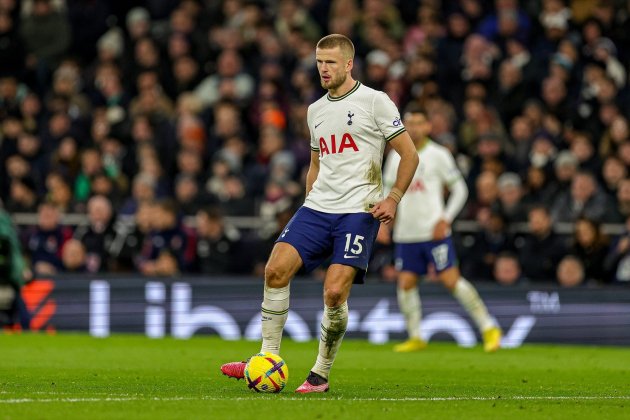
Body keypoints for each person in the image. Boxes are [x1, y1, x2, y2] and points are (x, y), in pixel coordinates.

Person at [220, 34, 419, 393]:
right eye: (318, 62)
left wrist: (393, 198)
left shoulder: (376, 102)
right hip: (317, 208)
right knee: (275, 270)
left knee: (333, 293)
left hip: (358, 211)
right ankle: (267, 358)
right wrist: (309, 198)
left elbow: (410, 154)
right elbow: (316, 162)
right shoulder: (315, 110)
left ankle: (320, 373)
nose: (323, 69)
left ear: (348, 64)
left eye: (330, 62)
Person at [381, 108, 502, 353]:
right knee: (405, 282)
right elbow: (386, 192)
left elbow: (461, 190)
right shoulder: (395, 156)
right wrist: (384, 223)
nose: (413, 127)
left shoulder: (439, 154)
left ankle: (489, 327)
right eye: (409, 122)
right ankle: (416, 336)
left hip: (433, 231)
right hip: (407, 232)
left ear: (428, 127)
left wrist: (445, 219)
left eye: (418, 122)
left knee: (450, 279)